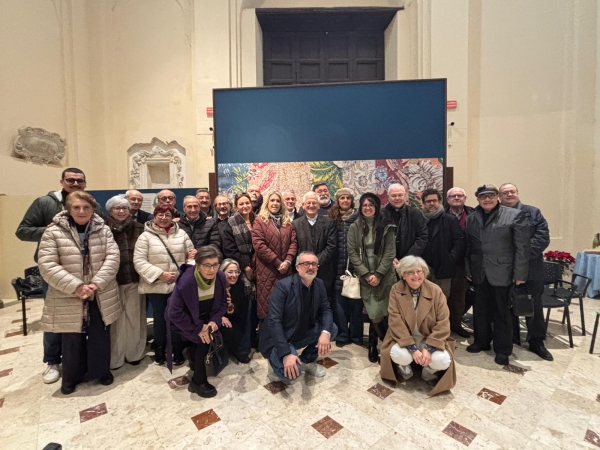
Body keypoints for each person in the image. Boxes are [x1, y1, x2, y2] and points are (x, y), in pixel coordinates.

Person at [16, 167, 102, 385]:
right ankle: (52, 361)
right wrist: (48, 230)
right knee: (56, 317)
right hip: (57, 271)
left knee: (87, 318)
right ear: (62, 181)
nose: (75, 184)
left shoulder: (92, 203)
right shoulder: (45, 203)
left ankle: (80, 360)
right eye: (71, 180)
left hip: (87, 270)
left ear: (85, 183)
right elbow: (22, 231)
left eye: (79, 180)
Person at [38, 191, 121, 395]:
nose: (81, 211)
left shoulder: (103, 230)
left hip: (99, 292)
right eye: (76, 207)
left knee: (99, 334)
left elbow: (112, 257)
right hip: (68, 293)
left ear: (93, 209)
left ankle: (101, 371)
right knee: (71, 338)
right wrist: (76, 286)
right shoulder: (53, 232)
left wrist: (95, 284)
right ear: (68, 209)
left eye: (86, 207)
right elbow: (47, 264)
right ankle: (71, 377)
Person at [465, 184, 530, 366]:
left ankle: (503, 349)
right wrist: (468, 269)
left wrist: (520, 273)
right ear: (478, 199)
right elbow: (469, 246)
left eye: (491, 196)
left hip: (503, 271)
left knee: (502, 312)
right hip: (479, 271)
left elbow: (522, 247)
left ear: (497, 197)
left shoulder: (514, 215)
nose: (487, 199)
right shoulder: (472, 218)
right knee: (480, 309)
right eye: (483, 196)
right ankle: (481, 341)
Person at [380, 256, 456, 397]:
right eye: (410, 272)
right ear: (403, 275)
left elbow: (443, 323)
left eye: (419, 271)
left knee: (442, 360)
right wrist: (413, 349)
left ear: (424, 272)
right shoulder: (396, 290)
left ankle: (428, 373)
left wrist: (429, 348)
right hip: (404, 338)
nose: (416, 276)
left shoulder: (436, 291)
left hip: (429, 338)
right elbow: (395, 322)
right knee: (399, 355)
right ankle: (405, 371)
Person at [259, 251, 338, 382]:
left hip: (302, 332)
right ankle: (275, 361)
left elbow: (326, 310)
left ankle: (305, 361)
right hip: (282, 338)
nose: (311, 267)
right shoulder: (283, 286)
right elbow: (274, 321)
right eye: (306, 263)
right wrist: (286, 354)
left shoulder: (319, 284)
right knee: (291, 374)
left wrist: (325, 333)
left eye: (314, 264)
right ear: (297, 267)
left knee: (331, 329)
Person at [133, 203, 194, 365]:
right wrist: (160, 274)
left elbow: (191, 257)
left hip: (178, 285)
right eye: (160, 214)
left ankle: (176, 347)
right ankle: (160, 347)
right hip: (156, 285)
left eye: (168, 215)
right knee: (160, 317)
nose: (164, 218)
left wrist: (184, 275)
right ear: (154, 216)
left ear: (173, 217)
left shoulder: (181, 234)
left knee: (177, 316)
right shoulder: (145, 237)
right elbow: (139, 261)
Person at [499, 183, 553, 361]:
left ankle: (537, 342)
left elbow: (542, 237)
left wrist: (521, 256)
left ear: (517, 193)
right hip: (504, 268)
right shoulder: (496, 214)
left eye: (512, 191)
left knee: (534, 305)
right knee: (506, 304)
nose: (509, 195)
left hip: (531, 267)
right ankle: (512, 337)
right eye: (505, 192)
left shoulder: (533, 212)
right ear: (499, 196)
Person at [166, 246, 228, 398]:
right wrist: (199, 328)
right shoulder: (187, 281)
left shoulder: (220, 277)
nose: (211, 269)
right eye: (207, 265)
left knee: (209, 336)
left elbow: (223, 303)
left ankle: (194, 358)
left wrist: (215, 321)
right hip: (184, 320)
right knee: (204, 340)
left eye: (215, 264)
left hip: (206, 317)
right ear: (198, 265)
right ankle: (198, 381)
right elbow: (174, 313)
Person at [347, 193, 397, 363]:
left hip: (385, 277)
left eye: (371, 205)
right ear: (360, 207)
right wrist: (367, 275)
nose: (367, 208)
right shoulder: (354, 227)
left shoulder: (386, 226)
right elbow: (353, 253)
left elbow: (390, 253)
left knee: (387, 312)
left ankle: (375, 344)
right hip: (366, 278)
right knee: (374, 313)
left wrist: (379, 274)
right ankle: (386, 344)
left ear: (376, 207)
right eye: (364, 205)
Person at [104, 196, 146, 369]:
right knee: (115, 321)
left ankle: (135, 353)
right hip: (111, 281)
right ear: (110, 210)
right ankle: (116, 357)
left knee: (135, 317)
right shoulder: (102, 228)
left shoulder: (139, 228)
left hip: (134, 278)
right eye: (117, 208)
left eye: (124, 208)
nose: (121, 211)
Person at [420, 189, 466, 336]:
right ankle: (425, 329)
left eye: (434, 200)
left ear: (440, 201)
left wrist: (450, 259)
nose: (432, 204)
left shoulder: (449, 219)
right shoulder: (420, 219)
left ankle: (441, 332)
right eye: (428, 201)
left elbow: (458, 242)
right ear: (423, 203)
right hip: (423, 268)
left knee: (442, 301)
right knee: (423, 300)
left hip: (443, 267)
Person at [219, 193, 257, 352]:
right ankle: (243, 347)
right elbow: (229, 249)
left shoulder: (257, 220)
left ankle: (254, 339)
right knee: (245, 310)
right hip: (240, 271)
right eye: (241, 204)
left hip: (258, 267)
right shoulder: (230, 223)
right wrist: (246, 267)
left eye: (247, 203)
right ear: (236, 206)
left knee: (256, 308)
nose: (245, 206)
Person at [252, 192, 298, 320]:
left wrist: (288, 261)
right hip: (267, 269)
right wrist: (278, 263)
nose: (275, 203)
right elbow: (259, 245)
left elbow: (293, 242)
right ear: (267, 203)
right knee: (267, 306)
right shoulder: (259, 221)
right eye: (272, 200)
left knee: (286, 305)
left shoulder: (287, 222)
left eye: (278, 201)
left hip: (286, 270)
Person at [329, 188, 362, 346]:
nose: (345, 201)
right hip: (336, 266)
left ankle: (356, 335)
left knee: (356, 302)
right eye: (342, 198)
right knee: (339, 303)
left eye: (348, 198)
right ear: (338, 201)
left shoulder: (359, 217)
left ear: (351, 200)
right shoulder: (332, 218)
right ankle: (342, 334)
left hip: (355, 266)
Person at [444, 187, 475, 337]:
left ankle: (455, 324)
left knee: (459, 296)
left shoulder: (474, 215)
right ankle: (441, 325)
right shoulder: (440, 215)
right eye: (453, 196)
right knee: (442, 296)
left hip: (464, 263)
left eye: (460, 195)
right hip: (444, 261)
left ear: (465, 198)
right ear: (447, 199)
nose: (457, 198)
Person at [383, 183, 428, 265]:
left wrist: (408, 258)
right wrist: (389, 257)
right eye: (394, 195)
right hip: (385, 261)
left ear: (405, 196)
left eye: (400, 195)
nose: (397, 198)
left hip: (410, 261)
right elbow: (376, 239)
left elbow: (422, 237)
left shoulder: (415, 214)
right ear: (388, 197)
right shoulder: (380, 214)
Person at [219, 259, 251, 363]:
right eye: (230, 272)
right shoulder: (215, 285)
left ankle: (242, 350)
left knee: (246, 316)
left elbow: (241, 310)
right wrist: (220, 316)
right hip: (216, 316)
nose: (234, 275)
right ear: (222, 272)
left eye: (236, 272)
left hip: (234, 316)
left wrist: (231, 309)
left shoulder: (240, 285)